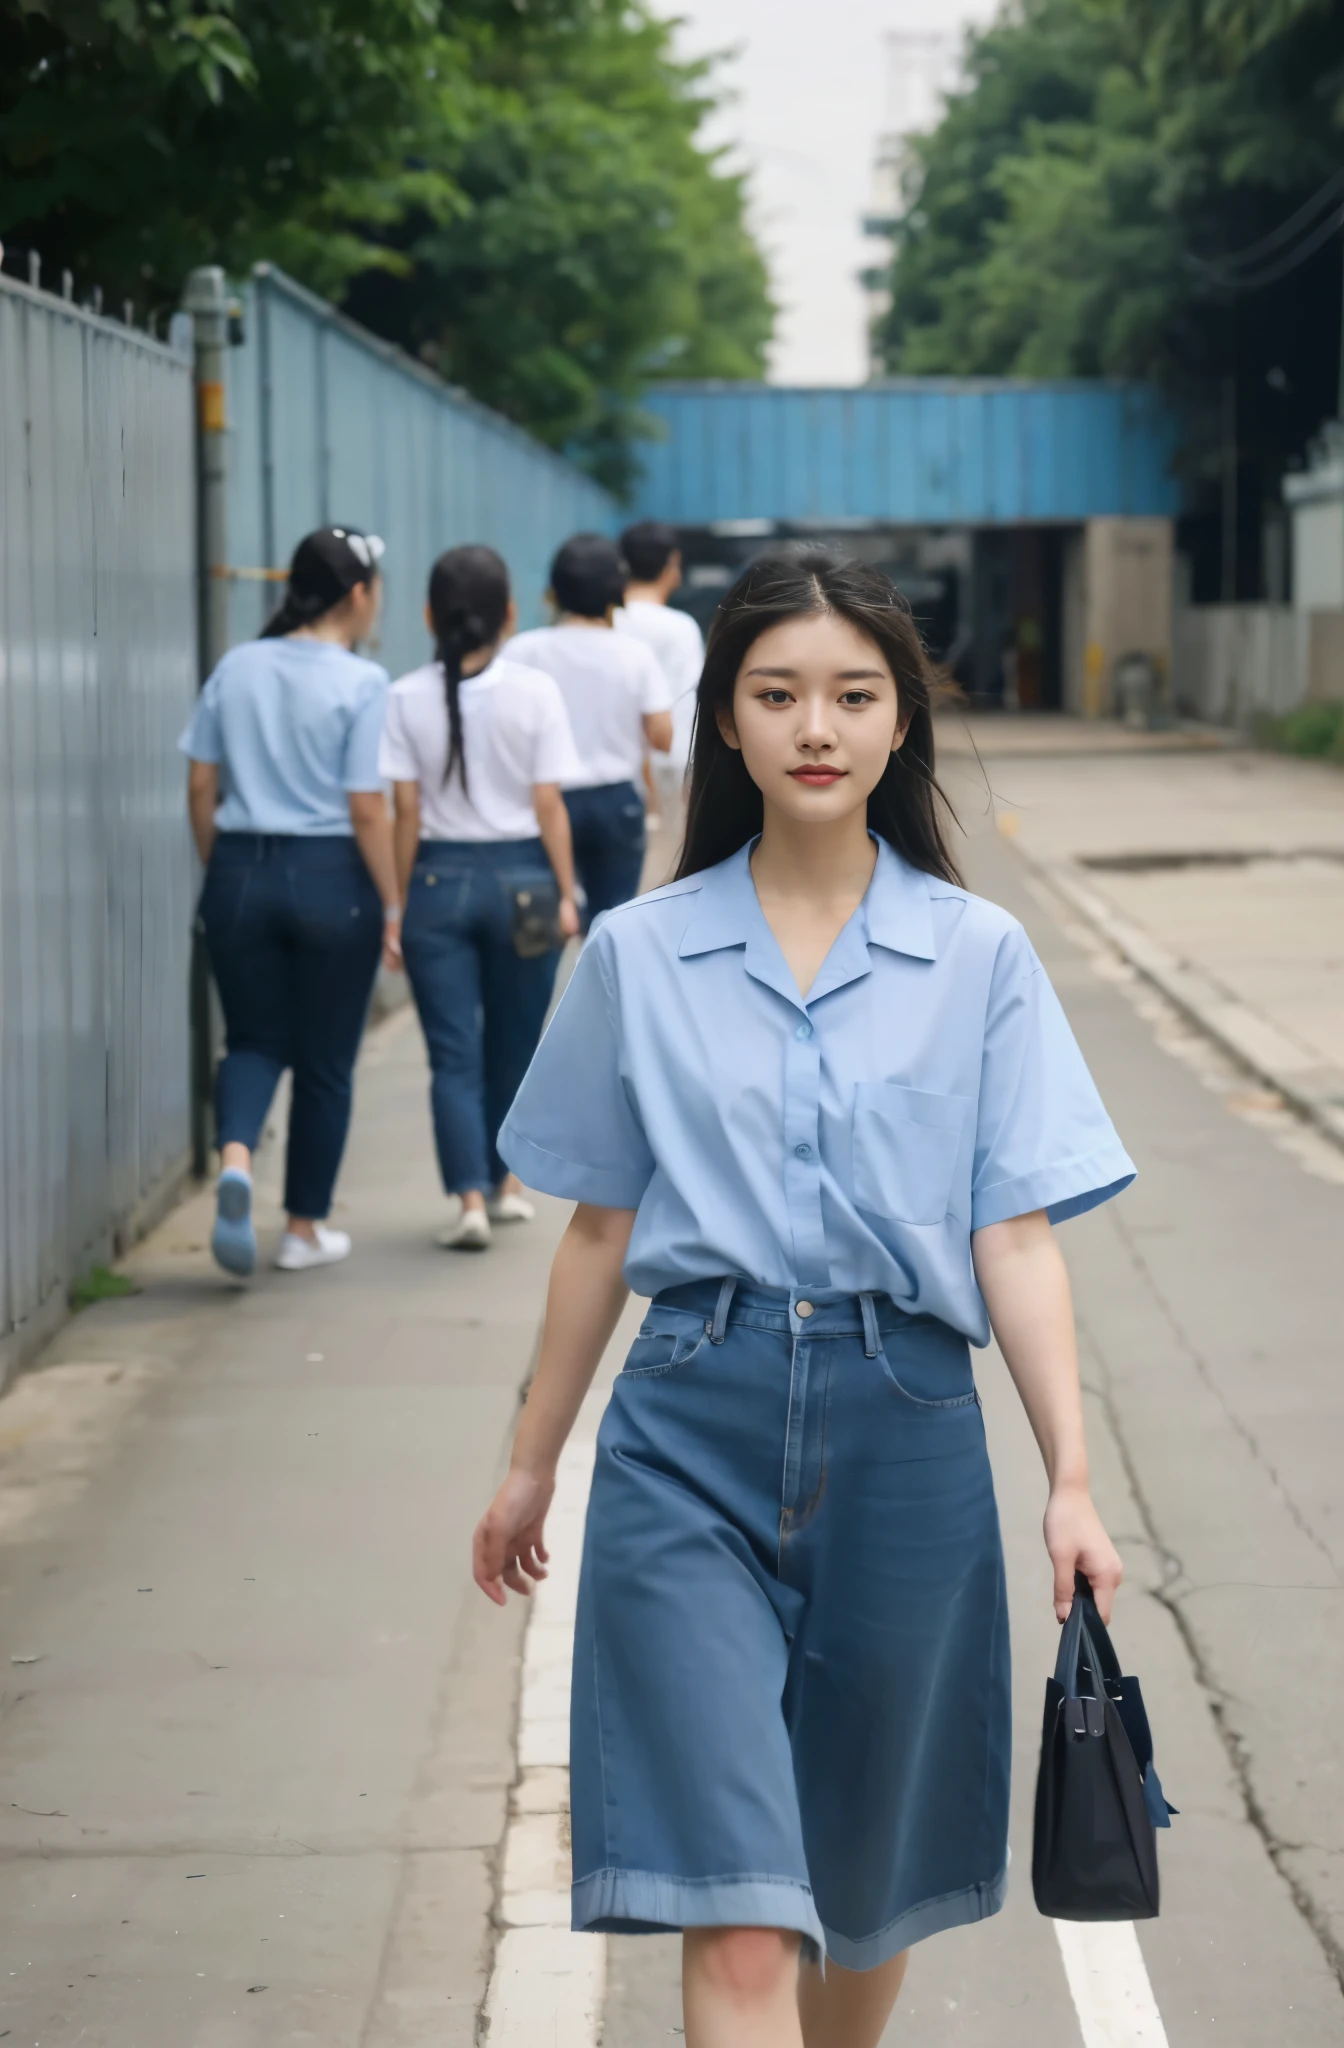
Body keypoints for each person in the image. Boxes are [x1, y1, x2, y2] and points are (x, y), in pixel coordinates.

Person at [472, 550, 1136, 2048]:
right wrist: (531, 1465)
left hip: (907, 1435)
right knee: (747, 1916)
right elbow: (595, 1232)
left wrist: (1072, 1482)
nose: (815, 726)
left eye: (853, 695)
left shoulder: (980, 957)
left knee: (863, 1890)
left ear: (901, 723)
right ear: (724, 722)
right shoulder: (640, 954)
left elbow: (1016, 1236)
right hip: (684, 1432)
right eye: (777, 695)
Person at [181, 525, 401, 1279]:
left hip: (240, 869)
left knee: (251, 1041)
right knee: (326, 1063)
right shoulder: (363, 682)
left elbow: (201, 785)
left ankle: (237, 1160)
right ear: (358, 594)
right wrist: (394, 904)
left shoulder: (237, 667)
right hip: (332, 877)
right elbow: (367, 807)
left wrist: (228, 870)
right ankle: (302, 1229)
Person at [380, 545, 582, 1252]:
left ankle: (467, 1199)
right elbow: (549, 803)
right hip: (524, 882)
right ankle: (506, 1186)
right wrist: (567, 892)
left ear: (430, 615)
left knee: (452, 1053)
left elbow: (404, 814)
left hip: (437, 883)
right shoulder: (535, 693)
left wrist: (398, 908)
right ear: (509, 616)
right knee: (516, 1044)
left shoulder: (404, 695)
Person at [509, 533, 673, 925]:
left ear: (554, 592)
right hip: (615, 802)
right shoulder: (635, 654)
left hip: (543, 800)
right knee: (611, 925)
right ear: (617, 591)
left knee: (542, 923)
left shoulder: (523, 650)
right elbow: (662, 738)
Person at [616, 518, 705, 819]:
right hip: (671, 762)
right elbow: (691, 701)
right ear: (672, 564)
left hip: (617, 766)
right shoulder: (680, 628)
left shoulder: (607, 621)